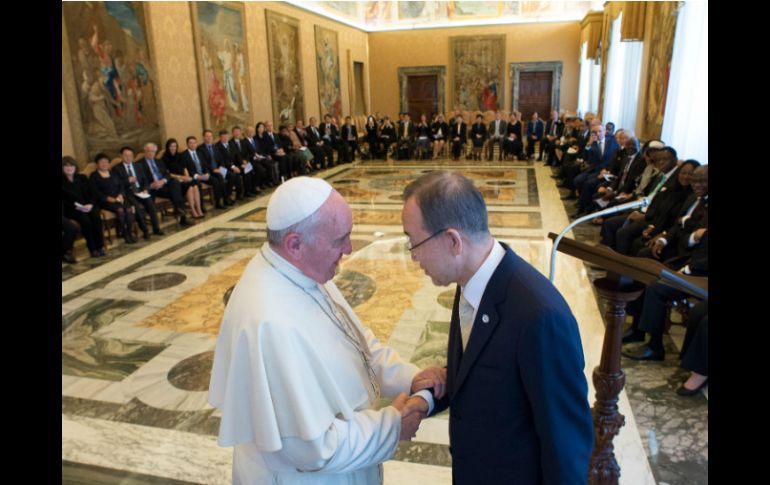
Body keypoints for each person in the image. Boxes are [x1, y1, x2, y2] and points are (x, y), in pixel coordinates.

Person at [209, 177, 446, 484]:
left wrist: (409, 377)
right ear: (295, 243)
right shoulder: (267, 322)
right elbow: (313, 449)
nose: (349, 249)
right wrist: (392, 426)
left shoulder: (304, 270)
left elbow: (356, 343)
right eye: (339, 240)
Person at [400, 171, 594, 484]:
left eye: (414, 241)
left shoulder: (540, 316)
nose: (413, 256)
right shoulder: (471, 283)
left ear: (452, 241)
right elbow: (488, 377)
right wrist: (428, 397)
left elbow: (566, 445)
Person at [62, 156, 106, 258]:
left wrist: (90, 204)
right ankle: (92, 248)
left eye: (71, 165)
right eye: (66, 166)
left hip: (88, 206)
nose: (69, 168)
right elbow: (64, 201)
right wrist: (78, 207)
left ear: (75, 167)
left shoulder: (82, 178)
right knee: (86, 220)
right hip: (72, 209)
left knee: (95, 216)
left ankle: (100, 246)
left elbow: (92, 193)